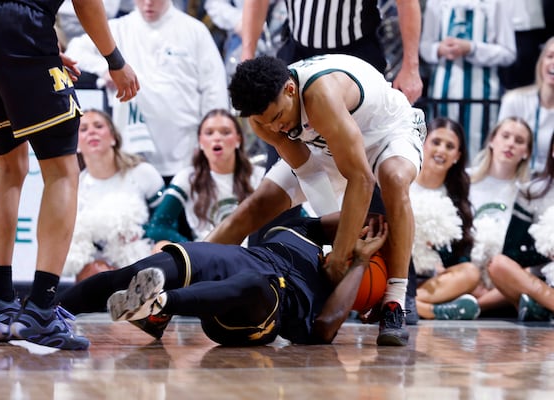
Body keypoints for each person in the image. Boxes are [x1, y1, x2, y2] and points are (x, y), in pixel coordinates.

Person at [0, 0, 140, 350]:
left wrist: (40, 47)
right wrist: (115, 60)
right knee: (62, 169)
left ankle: (1, 308)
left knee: (9, 165)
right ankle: (41, 309)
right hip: (18, 22)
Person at [207, 54, 426, 346]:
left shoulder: (322, 94)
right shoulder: (263, 118)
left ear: (290, 89)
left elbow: (361, 179)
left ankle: (395, 303)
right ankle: (186, 277)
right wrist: (337, 250)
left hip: (385, 132)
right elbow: (310, 174)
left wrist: (340, 256)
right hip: (326, 146)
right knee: (253, 207)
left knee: (394, 179)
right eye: (264, 123)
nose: (275, 129)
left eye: (277, 118)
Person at [57, 213, 389, 346]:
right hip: (230, 260)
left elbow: (327, 325)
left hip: (255, 311)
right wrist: (372, 226)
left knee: (260, 283)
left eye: (355, 263)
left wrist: (362, 259)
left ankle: (161, 303)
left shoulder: (321, 306)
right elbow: (363, 211)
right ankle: (47, 311)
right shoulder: (300, 232)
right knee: (131, 276)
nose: (351, 251)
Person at [65, 0, 229, 182]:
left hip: (186, 151)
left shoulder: (195, 31)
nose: (148, 3)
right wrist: (106, 68)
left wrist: (211, 137)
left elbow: (214, 88)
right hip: (132, 155)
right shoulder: (117, 29)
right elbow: (75, 51)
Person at [239, 0, 423, 104]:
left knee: (357, 149)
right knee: (283, 142)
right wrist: (247, 54)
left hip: (355, 57)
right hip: (297, 54)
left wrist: (411, 67)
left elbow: (406, 3)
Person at [63, 109, 165, 282]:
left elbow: (165, 219)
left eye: (98, 126)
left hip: (141, 259)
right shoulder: (76, 186)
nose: (92, 132)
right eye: (84, 129)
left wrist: (145, 236)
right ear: (77, 144)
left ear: (113, 137)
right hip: (99, 267)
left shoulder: (143, 173)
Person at [145, 109, 265, 245]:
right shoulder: (187, 178)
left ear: (238, 139)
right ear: (200, 142)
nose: (217, 138)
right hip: (206, 261)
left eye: (226, 132)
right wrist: (192, 249)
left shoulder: (260, 176)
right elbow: (157, 227)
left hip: (251, 258)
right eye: (209, 133)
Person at [419, 0, 516, 161]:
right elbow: (425, 47)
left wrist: (472, 48)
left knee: (477, 150)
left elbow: (508, 53)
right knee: (441, 143)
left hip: (482, 93)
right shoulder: (436, 3)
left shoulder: (497, 3)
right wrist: (439, 49)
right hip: (443, 91)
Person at [410, 117, 479, 320]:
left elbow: (460, 254)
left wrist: (437, 250)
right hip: (395, 272)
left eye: (450, 146)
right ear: (423, 143)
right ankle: (428, 310)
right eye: (436, 142)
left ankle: (395, 305)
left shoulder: (456, 196)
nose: (441, 150)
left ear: (457, 156)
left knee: (470, 272)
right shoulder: (402, 178)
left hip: (430, 280)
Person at [486, 132, 554, 321]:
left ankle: (540, 309)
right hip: (543, 279)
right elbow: (511, 253)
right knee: (498, 264)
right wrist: (544, 251)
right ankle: (545, 306)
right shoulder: (533, 192)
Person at [468, 117, 533, 314]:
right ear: (492, 141)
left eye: (519, 141)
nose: (511, 143)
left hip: (505, 273)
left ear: (526, 153)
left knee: (531, 274)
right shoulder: (465, 179)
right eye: (505, 136)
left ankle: (473, 306)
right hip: (469, 270)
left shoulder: (529, 193)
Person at [497, 37, 554, 172]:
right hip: (515, 180)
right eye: (550, 56)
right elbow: (500, 150)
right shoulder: (514, 100)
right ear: (541, 61)